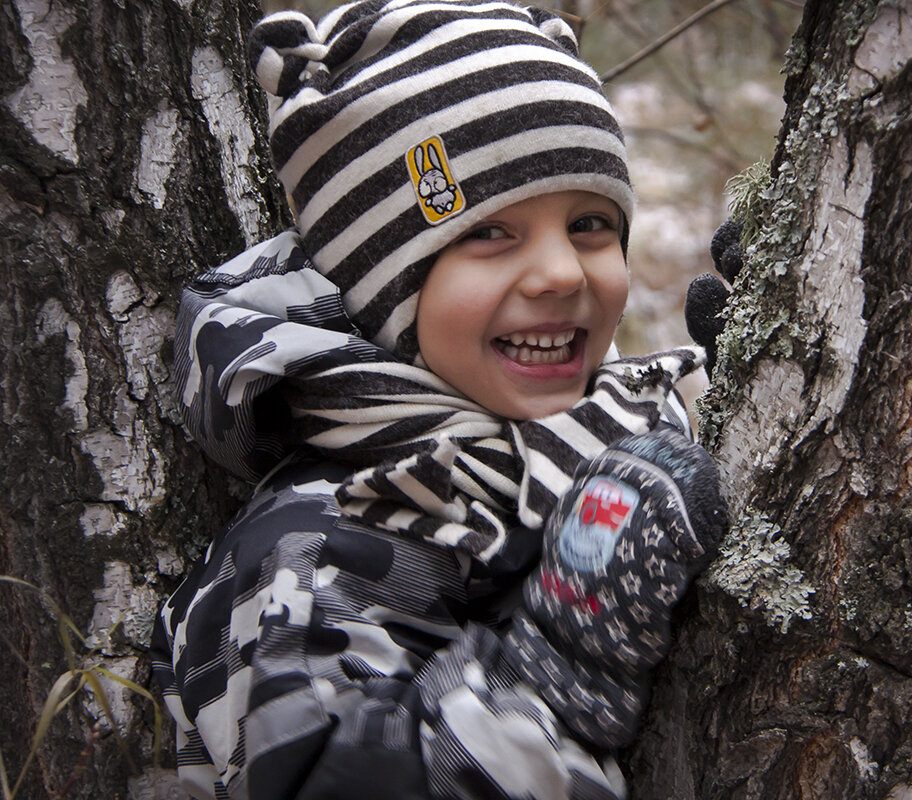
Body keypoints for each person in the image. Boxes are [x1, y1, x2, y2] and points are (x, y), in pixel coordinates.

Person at [150, 1, 727, 799]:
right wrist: (562, 661)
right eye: (489, 233)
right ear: (385, 290)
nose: (563, 272)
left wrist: (747, 394)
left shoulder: (584, 431)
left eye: (591, 223)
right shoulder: (322, 542)